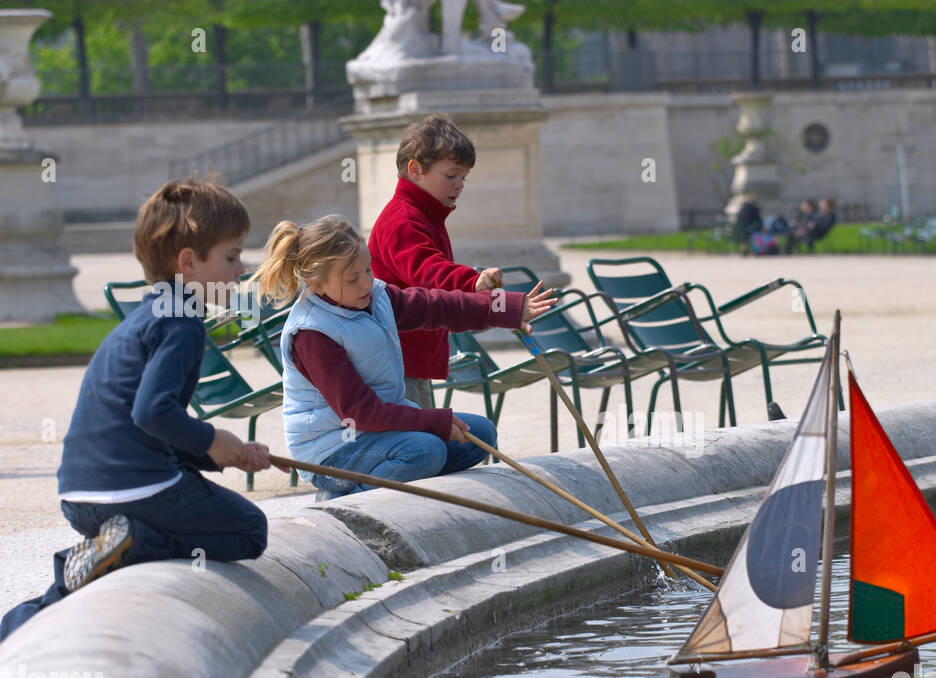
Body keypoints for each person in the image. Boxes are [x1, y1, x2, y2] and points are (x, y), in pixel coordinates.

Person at [0, 178, 277, 641]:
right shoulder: (182, 322)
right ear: (188, 261)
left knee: (103, 561)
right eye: (231, 257)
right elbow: (152, 413)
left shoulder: (150, 316)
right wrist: (213, 441)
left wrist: (220, 455)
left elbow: (152, 424)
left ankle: (22, 619)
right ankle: (134, 542)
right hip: (135, 493)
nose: (240, 268)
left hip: (80, 496)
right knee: (250, 529)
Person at [255, 215, 557, 501]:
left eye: (368, 270)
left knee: (481, 434)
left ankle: (405, 485)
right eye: (352, 279)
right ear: (318, 285)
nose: (365, 283)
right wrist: (432, 421)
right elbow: (361, 413)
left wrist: (507, 309)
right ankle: (345, 498)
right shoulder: (312, 333)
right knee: (425, 452)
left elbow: (437, 306)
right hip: (332, 451)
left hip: (378, 433)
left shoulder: (375, 295)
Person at [368, 114, 507, 409]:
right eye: (451, 175)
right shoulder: (402, 218)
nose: (460, 185)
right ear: (415, 170)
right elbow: (427, 271)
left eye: (463, 178)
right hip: (395, 358)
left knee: (426, 437)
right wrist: (471, 281)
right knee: (415, 443)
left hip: (411, 356)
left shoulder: (425, 214)